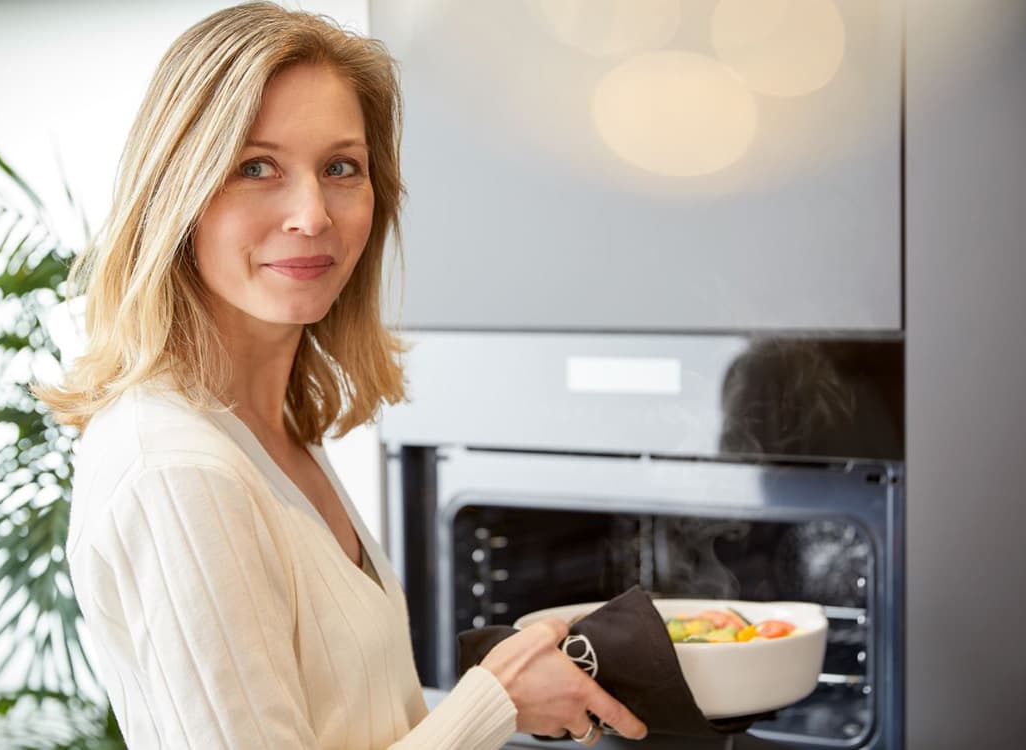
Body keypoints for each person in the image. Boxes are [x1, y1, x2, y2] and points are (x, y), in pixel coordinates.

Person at [34, 3, 648, 748]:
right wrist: (493, 703)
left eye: (340, 168)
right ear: (176, 194)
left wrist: (521, 676)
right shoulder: (179, 468)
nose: (311, 213)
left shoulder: (270, 432)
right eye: (255, 167)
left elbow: (349, 720)